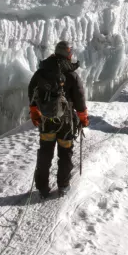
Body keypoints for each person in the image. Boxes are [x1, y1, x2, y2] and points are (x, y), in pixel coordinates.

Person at [28, 41, 89, 198]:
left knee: (45, 153)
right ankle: (63, 186)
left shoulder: (42, 71)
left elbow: (32, 92)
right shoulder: (71, 74)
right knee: (65, 153)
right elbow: (80, 99)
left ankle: (42, 187)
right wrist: (83, 119)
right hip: (66, 122)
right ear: (68, 54)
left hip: (46, 120)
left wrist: (34, 112)